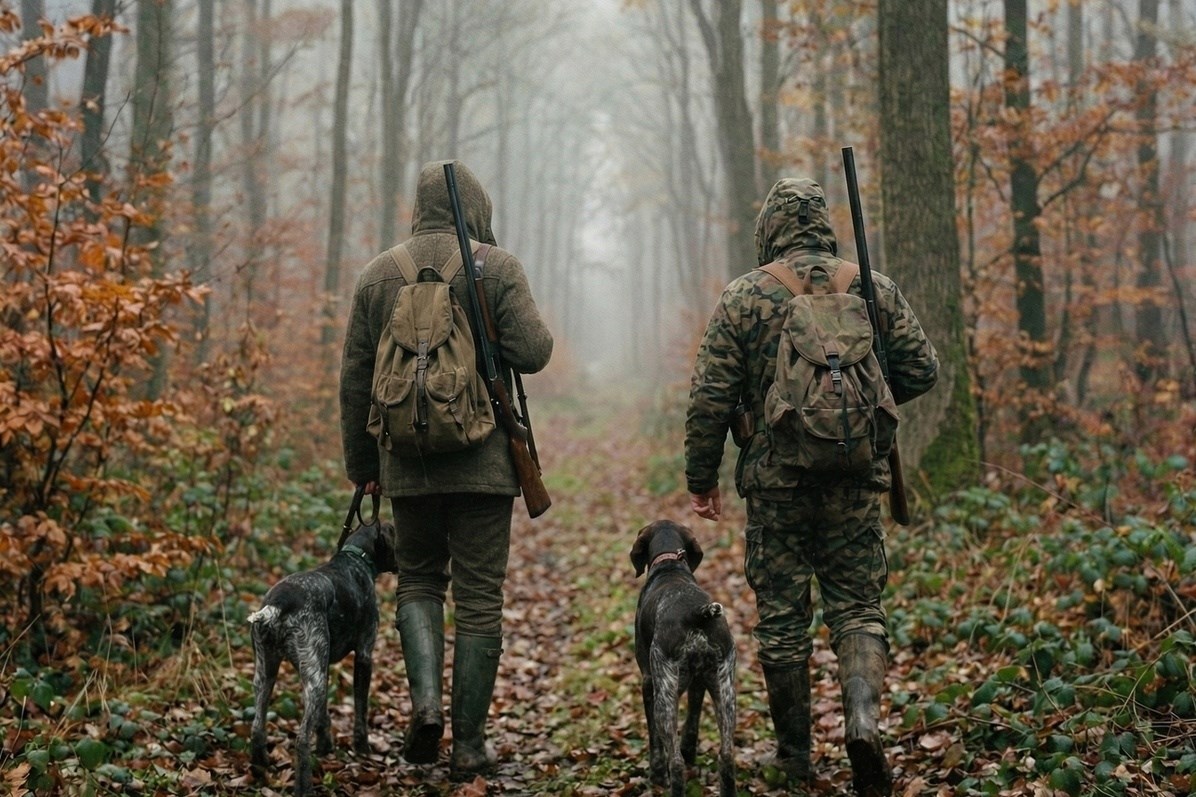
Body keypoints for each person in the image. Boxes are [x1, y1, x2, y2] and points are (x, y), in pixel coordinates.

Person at [684, 177, 938, 796]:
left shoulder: (745, 296)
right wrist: (864, 415)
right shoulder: (870, 286)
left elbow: (709, 398)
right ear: (824, 224)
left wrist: (702, 479)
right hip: (855, 480)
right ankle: (860, 721)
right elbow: (921, 369)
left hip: (776, 485)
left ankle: (796, 758)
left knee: (782, 618)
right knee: (857, 607)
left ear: (769, 228)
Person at [339, 159, 553, 779]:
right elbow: (535, 353)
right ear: (477, 207)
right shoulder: (497, 266)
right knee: (480, 599)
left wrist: (364, 466)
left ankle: (427, 707)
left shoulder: (380, 275)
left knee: (419, 584)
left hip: (404, 464)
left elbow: (355, 380)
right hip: (485, 464)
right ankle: (468, 746)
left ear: (417, 207)